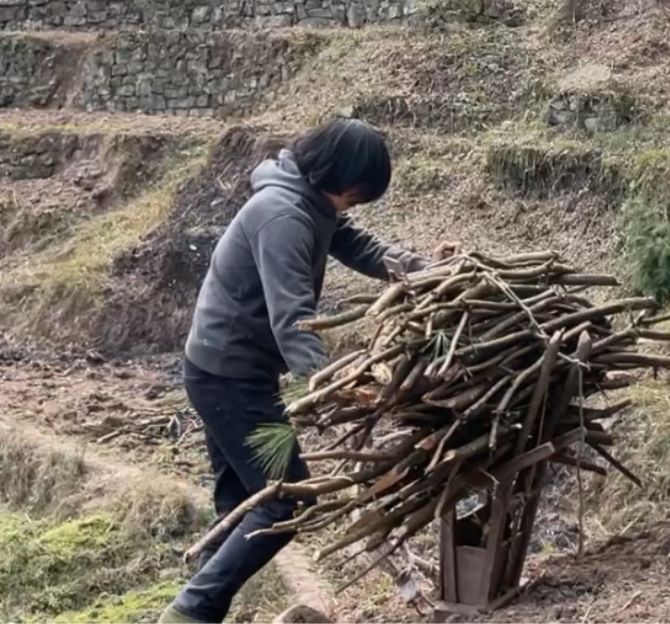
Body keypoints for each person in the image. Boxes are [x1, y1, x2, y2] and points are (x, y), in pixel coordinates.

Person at [160, 118, 455, 624]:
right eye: (358, 192)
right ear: (339, 175)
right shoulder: (281, 216)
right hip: (230, 377)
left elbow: (361, 246)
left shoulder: (308, 201)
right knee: (284, 501)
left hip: (228, 370)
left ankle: (200, 613)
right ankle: (189, 612)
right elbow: (293, 316)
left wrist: (430, 272)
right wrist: (326, 384)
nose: (356, 203)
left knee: (241, 500)